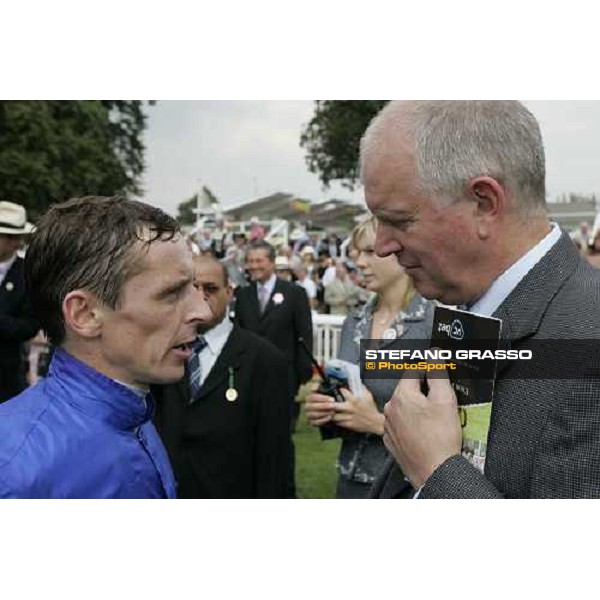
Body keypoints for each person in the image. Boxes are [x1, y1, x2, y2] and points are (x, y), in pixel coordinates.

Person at [361, 101, 600, 499]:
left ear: (485, 203)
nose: (382, 246)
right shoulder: (470, 314)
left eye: (400, 220)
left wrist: (437, 473)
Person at [0, 196, 211, 498]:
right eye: (172, 293)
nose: (202, 311)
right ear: (84, 314)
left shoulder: (133, 411)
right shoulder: (13, 471)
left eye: (192, 287)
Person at [305, 217, 433, 498]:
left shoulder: (435, 323)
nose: (359, 263)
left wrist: (375, 422)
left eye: (370, 252)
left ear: (403, 253)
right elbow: (351, 398)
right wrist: (328, 410)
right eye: (356, 254)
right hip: (350, 480)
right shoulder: (356, 319)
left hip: (406, 486)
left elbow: (451, 428)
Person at [152, 255, 290, 498]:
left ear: (229, 292)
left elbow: (274, 457)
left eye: (211, 288)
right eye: (191, 288)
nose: (200, 295)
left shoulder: (265, 361)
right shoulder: (157, 351)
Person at [234, 240, 313, 498]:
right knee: (247, 436)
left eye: (259, 261)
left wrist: (301, 377)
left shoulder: (294, 293)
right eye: (250, 261)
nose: (254, 266)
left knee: (280, 440)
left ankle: (285, 492)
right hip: (248, 378)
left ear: (271, 262)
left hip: (283, 380)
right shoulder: (243, 295)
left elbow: (304, 337)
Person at [0, 201, 39, 403]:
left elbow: (30, 325)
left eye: (4, 236)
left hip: (6, 377)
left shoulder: (27, 275)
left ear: (16, 240)